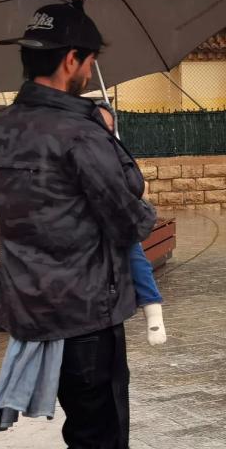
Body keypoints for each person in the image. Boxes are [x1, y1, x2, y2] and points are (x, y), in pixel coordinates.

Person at [0, 3, 156, 448]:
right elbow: (129, 217)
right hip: (86, 316)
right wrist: (111, 142)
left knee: (82, 430)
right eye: (91, 62)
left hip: (29, 310)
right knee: (101, 435)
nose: (91, 71)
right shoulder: (81, 134)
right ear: (72, 60)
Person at [95, 101, 166, 346]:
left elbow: (136, 186)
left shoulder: (117, 151)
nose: (106, 129)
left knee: (133, 251)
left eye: (110, 125)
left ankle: (153, 309)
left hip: (117, 219)